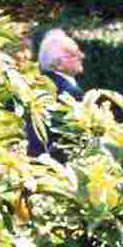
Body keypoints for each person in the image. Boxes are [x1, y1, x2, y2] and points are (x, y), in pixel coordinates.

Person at [30, 27, 82, 160]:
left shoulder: (36, 84)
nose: (81, 56)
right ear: (58, 64)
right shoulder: (70, 92)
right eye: (74, 53)